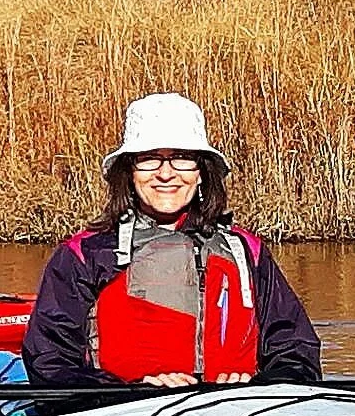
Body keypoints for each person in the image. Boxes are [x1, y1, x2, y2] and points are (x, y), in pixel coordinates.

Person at [20, 93, 320, 388]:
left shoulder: (246, 251)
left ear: (201, 172)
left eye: (182, 159)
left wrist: (259, 385)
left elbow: (296, 351)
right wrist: (136, 389)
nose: (166, 174)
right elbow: (50, 361)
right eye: (150, 159)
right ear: (130, 172)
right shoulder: (85, 255)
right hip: (121, 414)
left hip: (235, 411)